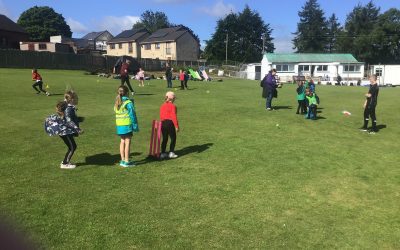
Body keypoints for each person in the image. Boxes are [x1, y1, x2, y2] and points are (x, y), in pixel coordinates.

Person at [44, 101, 83, 169]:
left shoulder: (61, 116)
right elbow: (70, 122)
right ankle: (65, 163)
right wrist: (78, 129)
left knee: (72, 147)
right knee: (72, 147)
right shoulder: (65, 116)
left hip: (64, 133)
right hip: (65, 134)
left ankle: (65, 162)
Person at [114, 85, 139, 167]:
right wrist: (135, 125)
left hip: (119, 125)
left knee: (122, 141)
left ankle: (123, 160)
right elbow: (132, 114)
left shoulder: (117, 102)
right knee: (127, 142)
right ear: (127, 93)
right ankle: (127, 161)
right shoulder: (128, 103)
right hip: (126, 125)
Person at [160, 91, 179, 159]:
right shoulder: (173, 106)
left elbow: (161, 115)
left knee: (165, 138)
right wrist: (176, 126)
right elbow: (174, 116)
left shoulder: (162, 105)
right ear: (172, 98)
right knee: (173, 138)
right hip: (170, 123)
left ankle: (163, 153)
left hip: (163, 123)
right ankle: (171, 152)